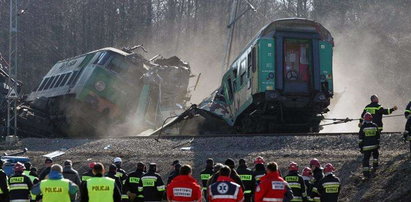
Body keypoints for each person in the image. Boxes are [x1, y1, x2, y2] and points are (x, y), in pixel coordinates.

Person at [359, 112, 380, 178]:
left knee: (366, 160)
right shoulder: (375, 126)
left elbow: (360, 139)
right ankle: (375, 167)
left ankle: (366, 174)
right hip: (374, 146)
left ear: (365, 119)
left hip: (366, 147)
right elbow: (378, 137)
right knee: (375, 156)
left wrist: (361, 148)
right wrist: (377, 144)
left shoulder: (363, 127)